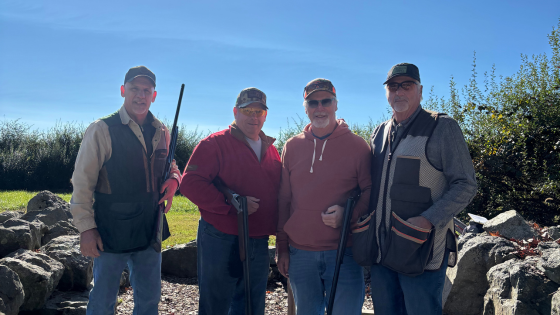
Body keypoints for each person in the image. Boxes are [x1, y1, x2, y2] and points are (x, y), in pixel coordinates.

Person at [70, 66, 182, 315]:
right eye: (134, 89)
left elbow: (171, 165)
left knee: (150, 300)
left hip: (150, 229)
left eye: (146, 90)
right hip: (110, 232)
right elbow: (82, 183)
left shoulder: (162, 130)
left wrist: (174, 180)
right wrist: (87, 229)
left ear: (154, 95)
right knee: (102, 301)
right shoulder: (101, 129)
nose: (140, 95)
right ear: (123, 91)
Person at [366, 63, 477, 314]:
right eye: (393, 86)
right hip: (382, 251)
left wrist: (428, 220)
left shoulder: (442, 127)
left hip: (422, 250)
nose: (399, 92)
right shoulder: (379, 132)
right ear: (387, 93)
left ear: (420, 90)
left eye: (407, 85)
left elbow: (466, 184)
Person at [180, 87, 281, 315]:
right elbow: (190, 184)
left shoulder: (272, 150)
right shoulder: (214, 144)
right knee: (215, 305)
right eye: (248, 110)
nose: (254, 116)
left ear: (265, 115)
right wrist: (232, 205)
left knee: (251, 306)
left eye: (259, 111)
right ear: (235, 112)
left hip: (258, 240)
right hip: (220, 236)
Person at [276, 78, 372, 315]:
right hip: (300, 254)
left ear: (336, 104)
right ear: (305, 108)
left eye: (325, 101)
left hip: (344, 252)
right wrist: (282, 246)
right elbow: (284, 199)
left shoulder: (358, 146)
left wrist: (348, 215)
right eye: (313, 103)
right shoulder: (291, 147)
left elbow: (370, 191)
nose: (320, 108)